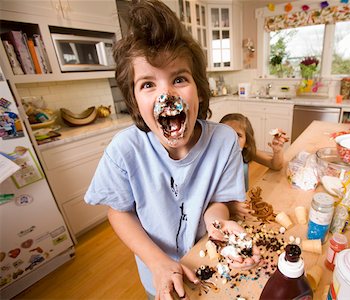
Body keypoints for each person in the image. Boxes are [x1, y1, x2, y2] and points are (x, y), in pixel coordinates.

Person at [84, 1, 260, 299]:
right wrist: (156, 262)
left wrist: (216, 222)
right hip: (158, 273)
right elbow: (119, 212)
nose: (167, 95)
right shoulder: (124, 150)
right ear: (134, 100)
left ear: (200, 89)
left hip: (209, 258)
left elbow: (218, 201)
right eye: (148, 84)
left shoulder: (225, 141)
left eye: (179, 79)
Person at [219, 113, 289, 218]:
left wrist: (277, 150)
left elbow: (275, 165)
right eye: (225, 133)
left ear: (247, 142)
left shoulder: (244, 152)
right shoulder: (213, 160)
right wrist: (230, 206)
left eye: (237, 135)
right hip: (221, 212)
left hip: (243, 208)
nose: (231, 139)